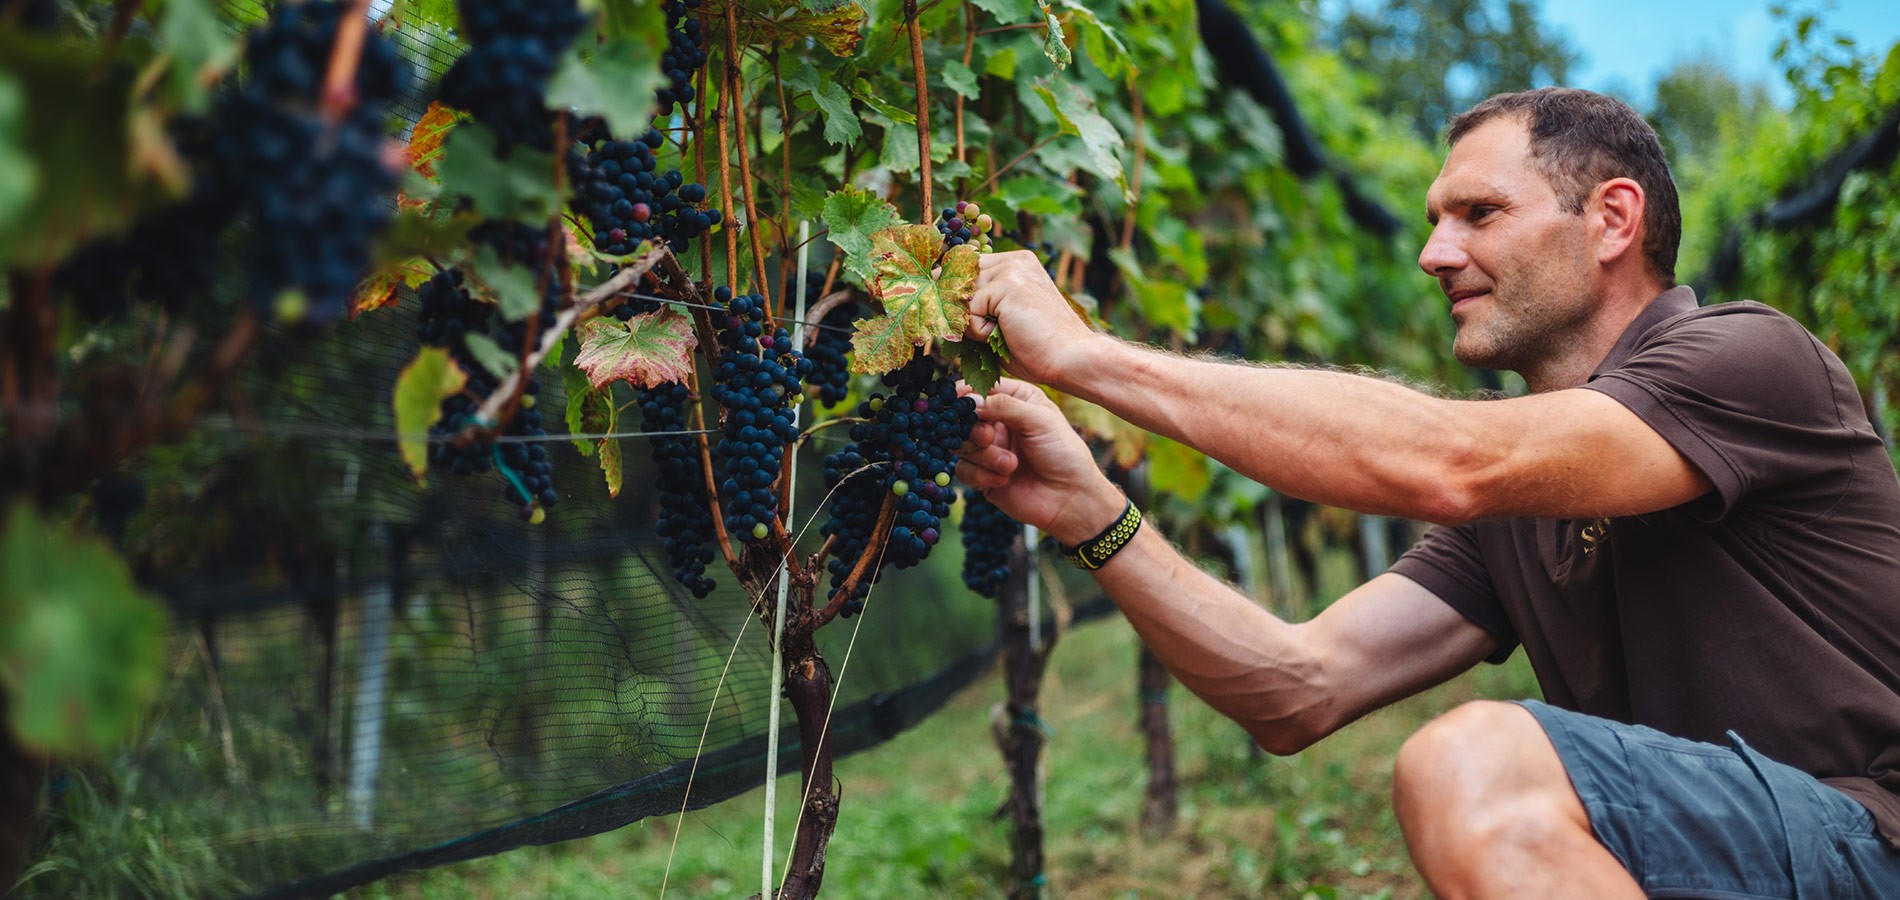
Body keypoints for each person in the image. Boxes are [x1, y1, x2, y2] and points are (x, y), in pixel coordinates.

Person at [955, 87, 1900, 898]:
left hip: (1870, 842)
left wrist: (1084, 357)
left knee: (1473, 766)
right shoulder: (1520, 510)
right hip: (1717, 851)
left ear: (1614, 218)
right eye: (1434, 222)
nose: (1433, 255)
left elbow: (1451, 460)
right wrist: (1091, 514)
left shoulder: (1746, 357)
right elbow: (1297, 687)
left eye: (1478, 213)